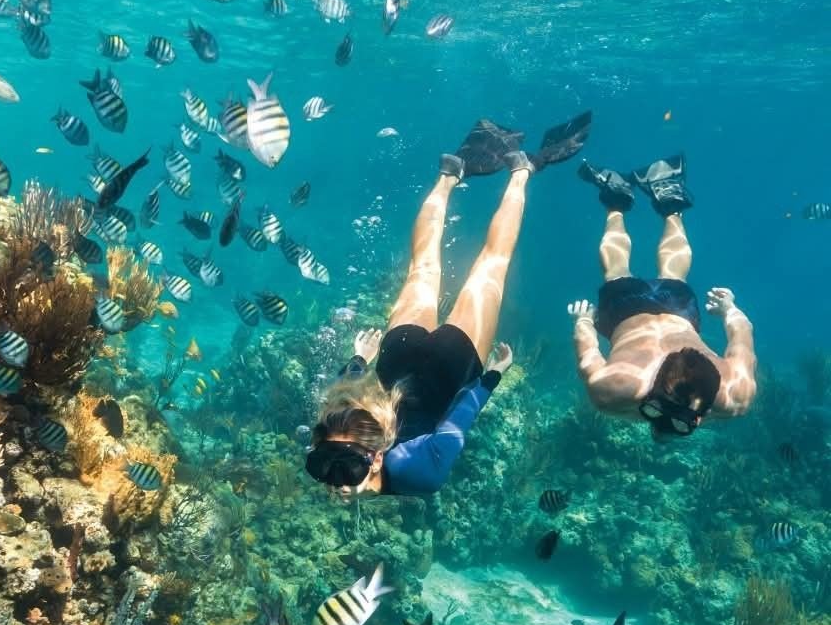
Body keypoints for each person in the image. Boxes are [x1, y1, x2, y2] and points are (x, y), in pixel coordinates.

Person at [305, 111, 592, 495]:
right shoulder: (335, 428)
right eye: (327, 468)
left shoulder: (421, 476)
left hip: (453, 364)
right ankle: (449, 174)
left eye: (333, 467)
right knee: (422, 267)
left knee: (492, 265)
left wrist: (492, 376)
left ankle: (521, 171)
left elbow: (461, 417)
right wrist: (359, 360)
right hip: (399, 354)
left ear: (377, 458)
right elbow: (338, 401)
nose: (336, 483)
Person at [570, 154, 756, 436]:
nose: (666, 422)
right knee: (616, 271)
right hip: (625, 313)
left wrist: (730, 309)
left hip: (677, 309)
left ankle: (665, 203)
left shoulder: (737, 394)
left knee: (672, 274)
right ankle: (617, 203)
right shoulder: (611, 390)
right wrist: (583, 321)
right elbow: (588, 358)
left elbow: (742, 336)